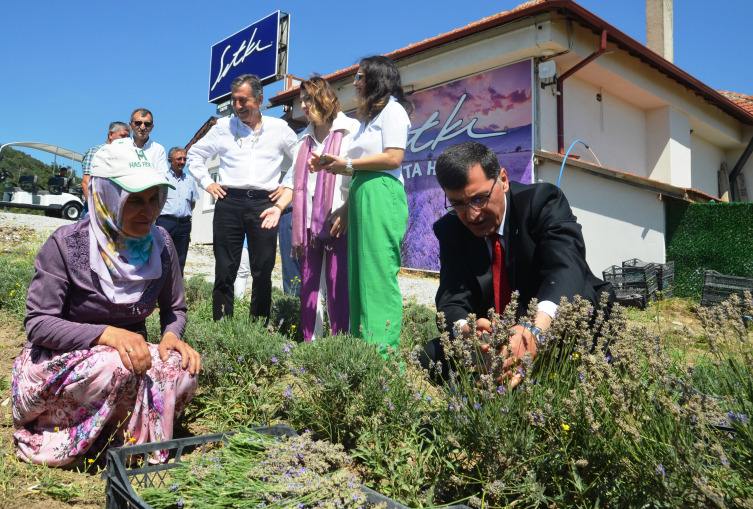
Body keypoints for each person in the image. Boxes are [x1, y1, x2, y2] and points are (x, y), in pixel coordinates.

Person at [11, 138, 200, 467]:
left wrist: (171, 336)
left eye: (155, 199)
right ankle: (58, 435)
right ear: (107, 198)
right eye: (135, 200)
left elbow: (175, 309)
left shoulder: (161, 244)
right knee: (114, 365)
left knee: (181, 370)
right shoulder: (67, 245)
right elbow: (39, 323)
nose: (149, 210)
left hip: (127, 356)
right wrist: (109, 335)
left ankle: (124, 440)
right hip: (61, 363)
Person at [420, 142, 614, 386]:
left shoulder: (543, 202)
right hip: (499, 335)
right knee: (431, 355)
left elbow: (566, 268)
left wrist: (533, 332)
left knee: (577, 319)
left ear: (503, 179)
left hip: (555, 321)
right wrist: (467, 330)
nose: (472, 215)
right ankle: (501, 381)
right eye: (458, 204)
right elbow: (450, 300)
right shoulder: (451, 229)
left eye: (479, 199)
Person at [314, 56, 412, 353]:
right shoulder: (368, 119)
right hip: (362, 193)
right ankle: (363, 351)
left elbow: (394, 157)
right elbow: (357, 165)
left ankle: (383, 356)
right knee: (358, 273)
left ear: (376, 78)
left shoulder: (393, 110)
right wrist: (337, 169)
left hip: (381, 192)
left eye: (359, 77)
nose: (354, 83)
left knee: (377, 272)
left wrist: (348, 163)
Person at [187, 74, 297, 322]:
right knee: (225, 268)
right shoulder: (223, 127)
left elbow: (301, 156)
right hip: (229, 201)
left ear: (259, 100)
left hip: (264, 203)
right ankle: (222, 326)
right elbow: (194, 155)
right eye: (234, 100)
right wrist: (208, 183)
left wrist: (287, 184)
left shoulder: (279, 128)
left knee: (263, 269)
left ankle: (258, 326)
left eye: (243, 100)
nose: (237, 106)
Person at [267, 76, 360, 341]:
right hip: (307, 224)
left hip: (339, 220)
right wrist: (278, 207)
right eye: (302, 100)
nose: (305, 105)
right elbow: (291, 183)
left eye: (310, 98)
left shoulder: (350, 130)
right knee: (309, 287)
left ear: (326, 97)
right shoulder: (301, 140)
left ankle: (341, 345)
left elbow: (360, 173)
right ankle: (311, 345)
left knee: (337, 286)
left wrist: (346, 209)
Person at [156, 146, 200, 275]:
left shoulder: (190, 180)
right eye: (179, 159)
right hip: (165, 222)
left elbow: (192, 203)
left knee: (180, 258)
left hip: (184, 224)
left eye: (184, 159)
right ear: (170, 160)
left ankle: (177, 290)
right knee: (162, 255)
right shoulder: (162, 178)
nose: (182, 162)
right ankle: (158, 288)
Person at [80, 121, 131, 217]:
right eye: (123, 136)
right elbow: (86, 182)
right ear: (111, 134)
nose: (126, 140)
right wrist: (93, 209)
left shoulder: (126, 155)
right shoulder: (95, 152)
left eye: (128, 137)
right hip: (95, 207)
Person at [129, 108, 169, 175]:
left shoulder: (158, 149)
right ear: (131, 126)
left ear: (151, 127)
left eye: (147, 124)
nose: (142, 127)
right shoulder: (121, 146)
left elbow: (163, 176)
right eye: (138, 123)